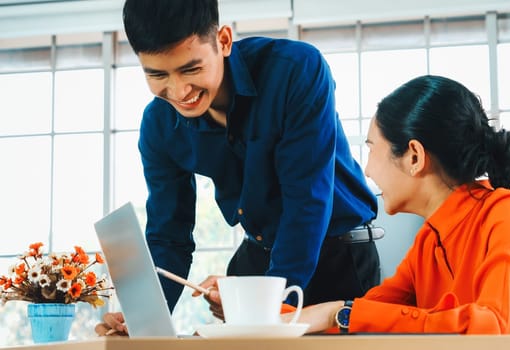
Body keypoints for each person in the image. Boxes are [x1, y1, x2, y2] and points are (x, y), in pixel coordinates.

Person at [112, 0, 381, 318]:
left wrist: (267, 304)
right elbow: (168, 234)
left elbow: (306, 202)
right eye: (157, 75)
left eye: (191, 69)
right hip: (258, 255)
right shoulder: (159, 124)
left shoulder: (296, 70)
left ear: (223, 41)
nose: (179, 90)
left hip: (338, 254)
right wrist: (143, 319)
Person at [282, 75, 510, 334]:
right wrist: (263, 313)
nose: (367, 170)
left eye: (372, 149)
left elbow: (497, 329)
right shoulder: (429, 241)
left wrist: (341, 313)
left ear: (414, 156)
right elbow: (365, 315)